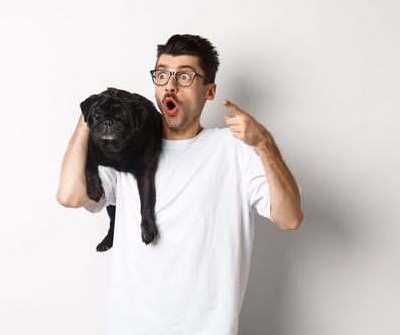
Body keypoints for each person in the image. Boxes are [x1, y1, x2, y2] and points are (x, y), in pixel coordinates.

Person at [56, 34, 303, 334]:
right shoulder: (125, 149)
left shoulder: (234, 149)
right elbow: (69, 195)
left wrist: (264, 144)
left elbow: (289, 218)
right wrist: (92, 112)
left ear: (209, 91)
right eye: (162, 75)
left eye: (184, 76)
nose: (170, 85)